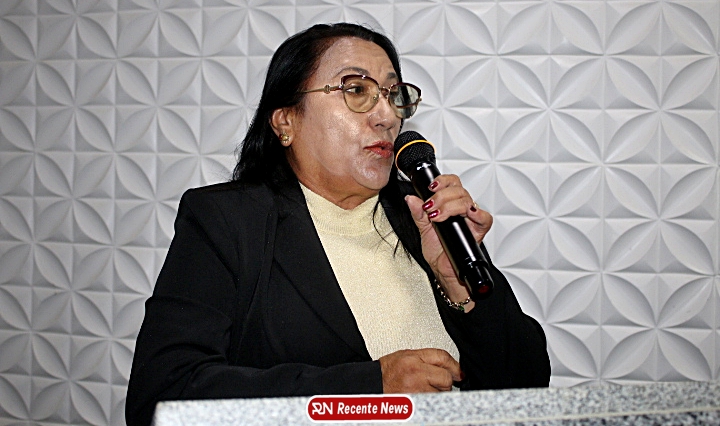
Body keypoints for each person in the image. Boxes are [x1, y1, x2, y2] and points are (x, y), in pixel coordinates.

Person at [125, 23, 550, 426]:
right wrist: (369, 390)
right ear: (286, 121)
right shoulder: (228, 222)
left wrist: (457, 284)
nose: (386, 116)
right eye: (357, 90)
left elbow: (526, 388)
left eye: (393, 95)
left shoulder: (425, 214)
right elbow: (162, 398)